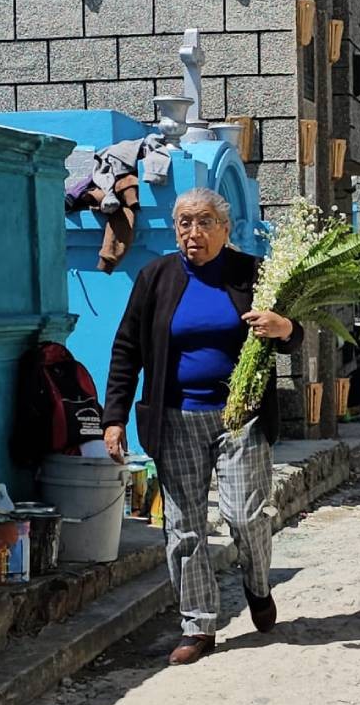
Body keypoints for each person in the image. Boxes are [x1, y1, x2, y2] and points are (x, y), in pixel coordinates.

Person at [102, 187, 304, 666]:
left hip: (241, 416)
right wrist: (113, 418)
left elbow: (292, 334)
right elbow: (127, 348)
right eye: (185, 223)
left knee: (244, 515)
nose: (194, 232)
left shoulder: (253, 274)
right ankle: (198, 625)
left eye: (205, 221)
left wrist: (285, 329)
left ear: (226, 228)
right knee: (184, 527)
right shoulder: (156, 277)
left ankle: (257, 586)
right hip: (176, 418)